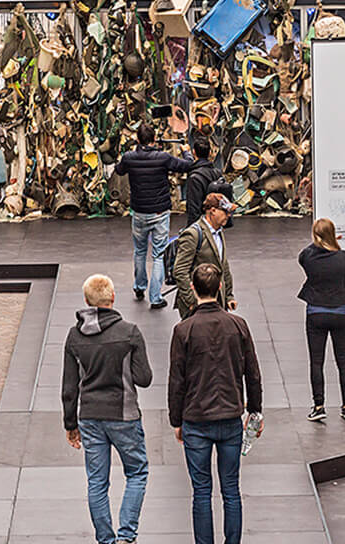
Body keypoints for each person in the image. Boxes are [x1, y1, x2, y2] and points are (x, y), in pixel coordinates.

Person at [168, 263, 262, 544]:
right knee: (231, 489)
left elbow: (177, 381)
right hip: (231, 416)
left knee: (201, 492)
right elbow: (253, 373)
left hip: (196, 419)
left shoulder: (183, 330)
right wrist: (255, 411)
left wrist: (176, 421)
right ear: (220, 287)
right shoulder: (238, 325)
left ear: (193, 289)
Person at [63, 274, 153, 544]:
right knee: (137, 472)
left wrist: (70, 425)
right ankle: (127, 536)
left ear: (87, 301)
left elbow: (69, 387)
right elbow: (144, 378)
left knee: (97, 482)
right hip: (124, 415)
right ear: (112, 299)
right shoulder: (129, 332)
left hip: (90, 417)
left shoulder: (74, 336)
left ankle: (105, 539)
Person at [116, 122, 200, 309]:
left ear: (138, 139)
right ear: (154, 139)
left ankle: (139, 287)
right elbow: (188, 166)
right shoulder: (163, 158)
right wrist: (186, 150)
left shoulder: (129, 157)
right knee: (158, 255)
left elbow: (119, 169)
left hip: (139, 212)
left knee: (139, 251)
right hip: (159, 212)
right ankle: (155, 298)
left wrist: (130, 151)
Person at [297, 218, 345, 422]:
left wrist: (318, 243)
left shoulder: (309, 257)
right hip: (341, 313)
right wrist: (335, 244)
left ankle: (319, 405)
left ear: (315, 236)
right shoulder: (343, 257)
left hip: (316, 312)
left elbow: (303, 256)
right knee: (343, 360)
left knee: (317, 361)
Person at [172, 195, 236, 318]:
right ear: (212, 210)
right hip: (197, 306)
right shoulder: (193, 234)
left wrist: (228, 296)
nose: (228, 215)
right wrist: (193, 302)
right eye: (225, 212)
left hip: (216, 302)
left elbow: (223, 265)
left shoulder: (219, 232)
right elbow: (179, 271)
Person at [182, 136, 228, 227]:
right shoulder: (217, 173)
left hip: (202, 224)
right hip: (216, 221)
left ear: (194, 152)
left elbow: (194, 208)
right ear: (210, 153)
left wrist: (192, 230)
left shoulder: (194, 178)